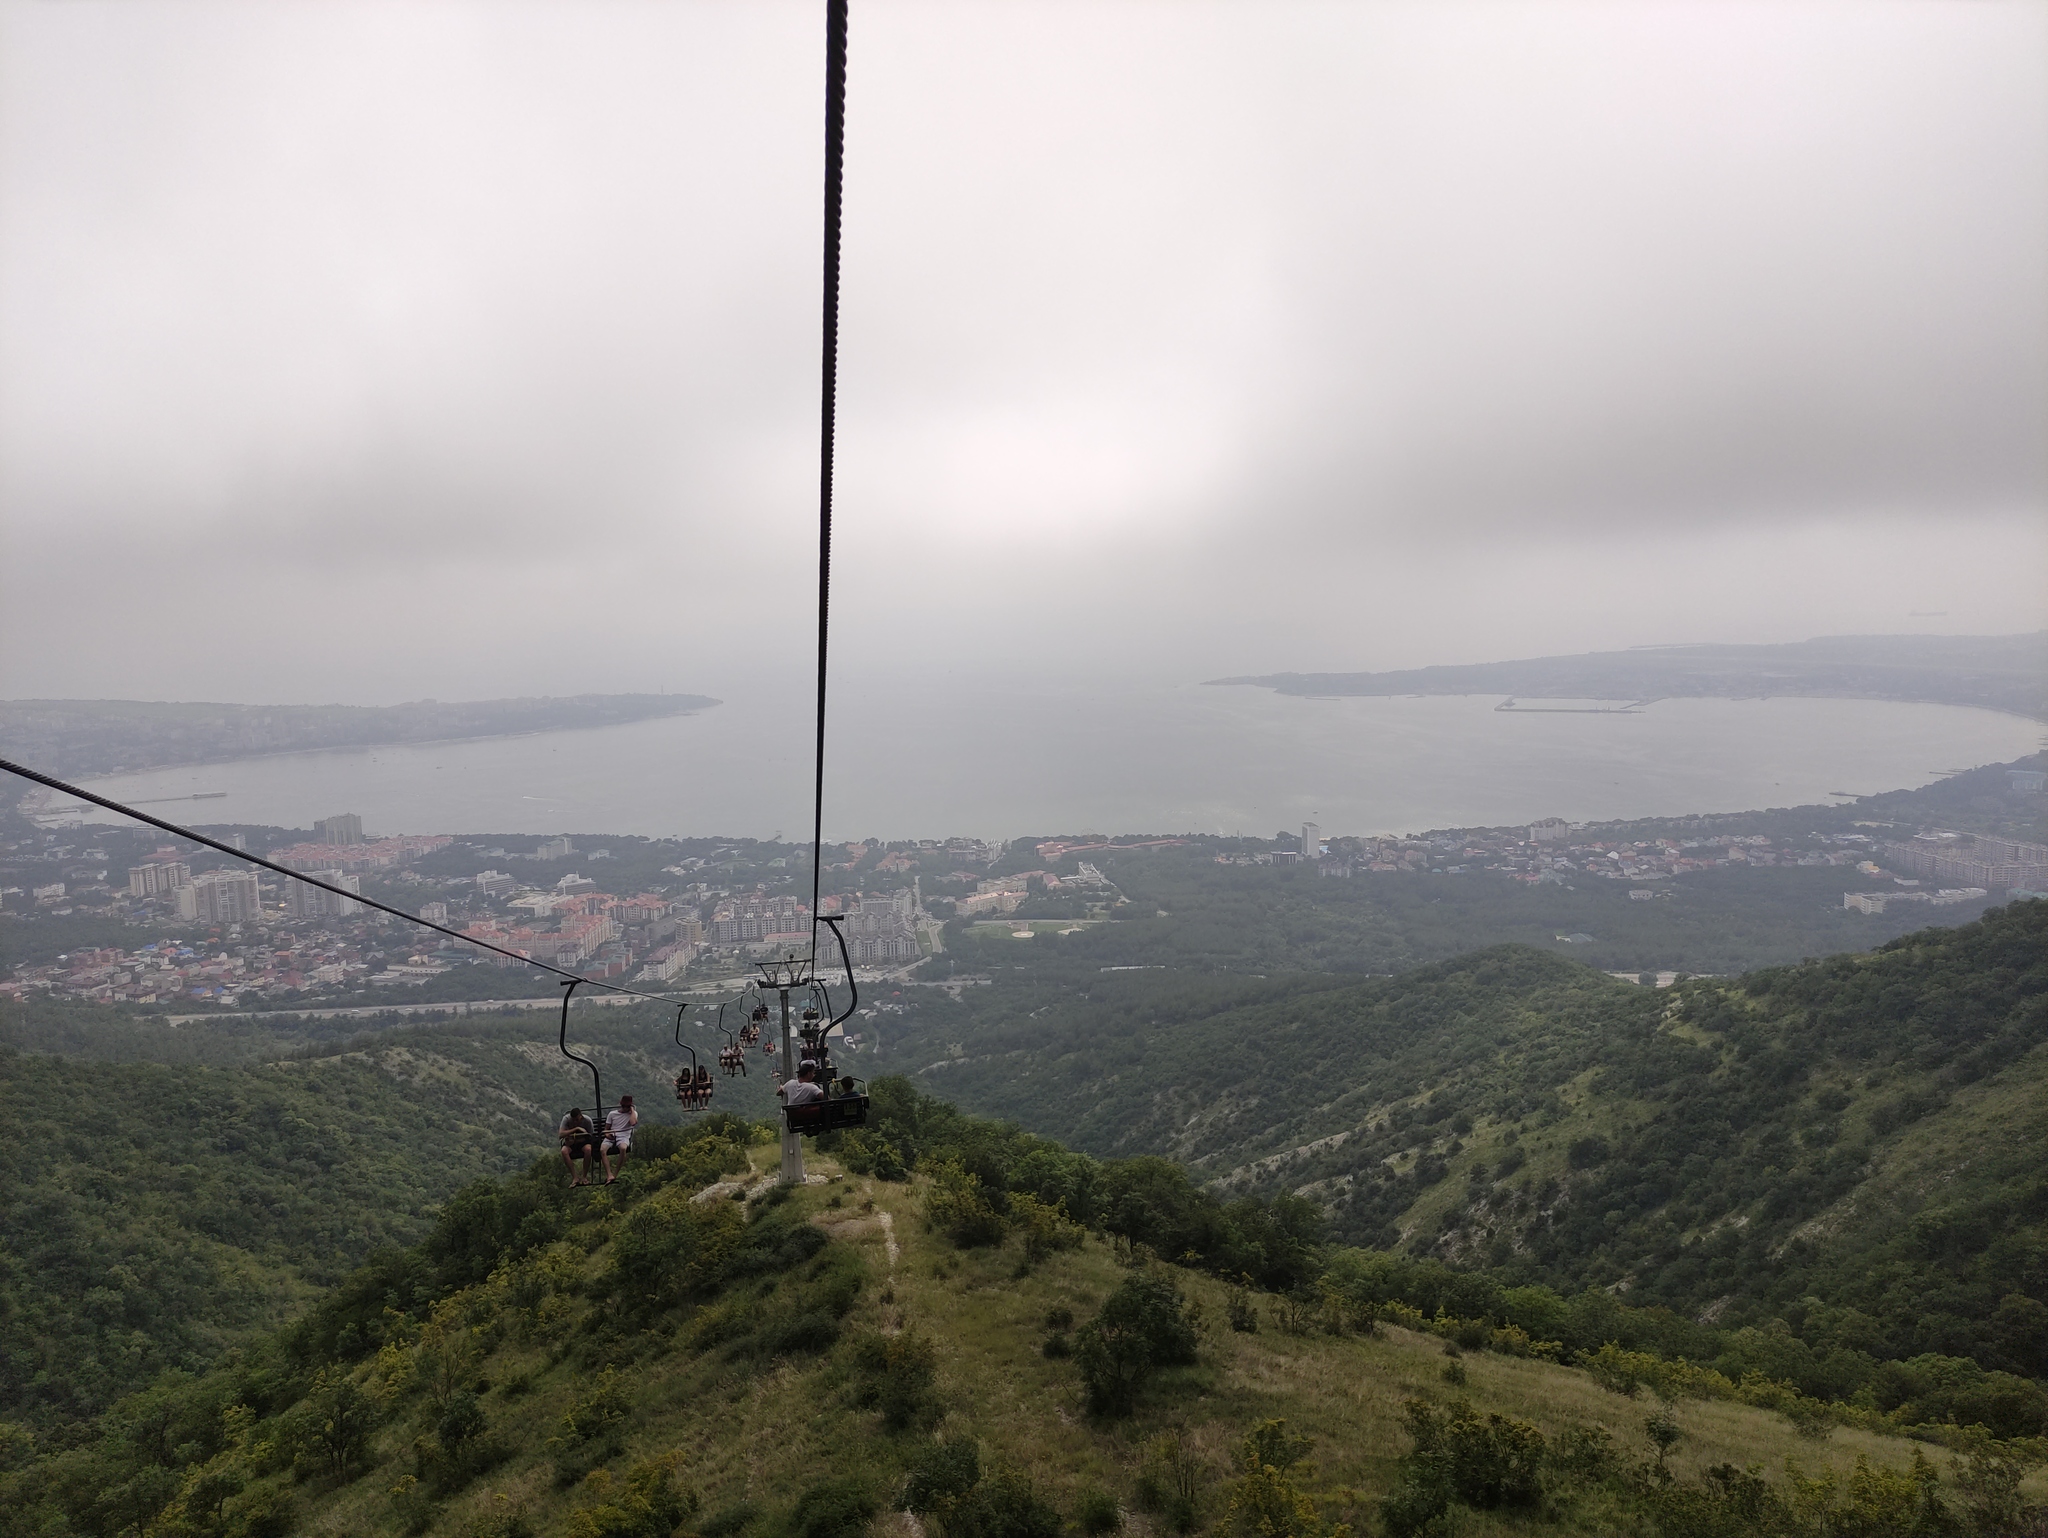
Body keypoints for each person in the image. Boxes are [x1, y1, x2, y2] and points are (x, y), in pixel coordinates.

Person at [600, 1094, 637, 1184]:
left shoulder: (633, 1114)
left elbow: (632, 1123)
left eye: (627, 1106)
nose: (625, 1108)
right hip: (612, 1134)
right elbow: (606, 1129)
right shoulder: (612, 1114)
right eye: (623, 1106)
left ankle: (615, 1174)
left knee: (623, 1148)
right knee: (602, 1150)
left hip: (623, 1135)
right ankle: (609, 1174)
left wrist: (632, 1110)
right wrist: (607, 1135)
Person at [559, 1107, 596, 1187]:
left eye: (577, 1120)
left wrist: (579, 1139)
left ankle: (584, 1177)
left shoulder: (587, 1121)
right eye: (573, 1120)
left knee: (588, 1150)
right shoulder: (566, 1119)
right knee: (564, 1151)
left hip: (583, 1142)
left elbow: (591, 1136)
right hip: (571, 1142)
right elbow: (561, 1134)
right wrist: (576, 1129)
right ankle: (575, 1177)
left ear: (581, 1116)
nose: (575, 1121)